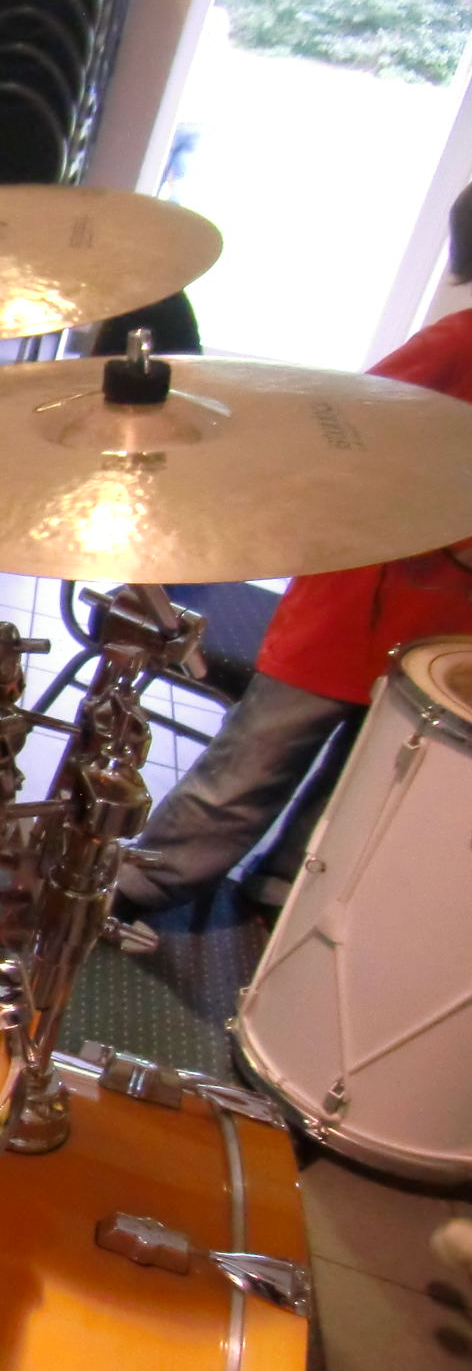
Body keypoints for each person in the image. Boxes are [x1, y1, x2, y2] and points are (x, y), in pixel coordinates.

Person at [114, 182, 472, 916]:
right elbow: (349, 428)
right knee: (259, 755)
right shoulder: (460, 343)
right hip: (363, 595)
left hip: (445, 623)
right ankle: (156, 875)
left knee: (368, 769)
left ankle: (286, 885)